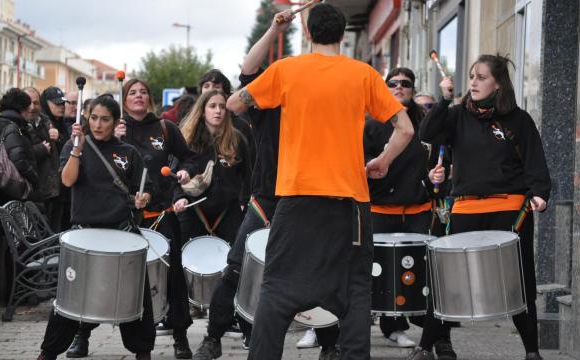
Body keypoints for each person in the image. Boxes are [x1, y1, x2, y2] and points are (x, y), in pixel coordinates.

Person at [227, 4, 414, 359]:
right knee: (355, 294)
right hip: (350, 204)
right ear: (343, 35)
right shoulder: (364, 75)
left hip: (297, 200)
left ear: (309, 34)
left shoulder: (286, 71)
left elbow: (237, 102)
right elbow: (405, 129)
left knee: (277, 291)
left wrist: (274, 34)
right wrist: (382, 162)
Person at [191, 16, 339, 360]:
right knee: (236, 268)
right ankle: (213, 339)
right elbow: (247, 68)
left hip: (308, 199)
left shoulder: (316, 104)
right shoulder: (266, 106)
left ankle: (330, 345)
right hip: (267, 200)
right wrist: (274, 30)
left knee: (314, 271)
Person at [412, 54, 551, 360]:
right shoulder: (457, 115)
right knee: (447, 280)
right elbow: (426, 133)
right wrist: (444, 100)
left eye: (481, 77)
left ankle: (532, 352)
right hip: (465, 208)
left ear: (498, 84)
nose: (473, 81)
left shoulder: (518, 119)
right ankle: (425, 346)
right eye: (472, 76)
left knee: (520, 279)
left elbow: (535, 162)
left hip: (511, 210)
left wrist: (540, 193)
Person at [65, 79, 197, 360]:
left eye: (143, 92)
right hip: (119, 219)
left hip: (158, 214)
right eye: (132, 92)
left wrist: (185, 173)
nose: (138, 96)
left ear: (149, 99)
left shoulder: (165, 128)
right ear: (123, 102)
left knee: (171, 277)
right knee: (99, 275)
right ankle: (82, 333)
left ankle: (180, 336)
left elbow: (188, 158)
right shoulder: (114, 131)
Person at [36, 94, 155, 360]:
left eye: (105, 119)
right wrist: (77, 148)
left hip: (121, 231)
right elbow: (67, 181)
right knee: (69, 296)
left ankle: (143, 351)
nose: (99, 124)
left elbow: (144, 190)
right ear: (87, 119)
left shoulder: (128, 152)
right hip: (85, 232)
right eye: (94, 118)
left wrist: (143, 198)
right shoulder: (75, 145)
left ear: (115, 122)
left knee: (137, 292)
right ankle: (49, 351)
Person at [363, 68, 457, 359]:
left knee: (425, 277)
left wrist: (436, 176)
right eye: (393, 83)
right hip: (380, 208)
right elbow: (361, 163)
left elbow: (439, 159)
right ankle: (389, 327)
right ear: (385, 87)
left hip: (418, 209)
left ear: (413, 89)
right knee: (378, 275)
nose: (399, 87)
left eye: (406, 84)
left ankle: (439, 338)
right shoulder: (371, 123)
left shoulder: (422, 122)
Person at [177, 89, 251, 247]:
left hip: (228, 212)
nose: (218, 110)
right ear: (202, 111)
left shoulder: (237, 139)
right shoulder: (186, 139)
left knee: (229, 262)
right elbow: (175, 174)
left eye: (222, 107)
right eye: (212, 106)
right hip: (194, 210)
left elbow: (249, 175)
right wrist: (178, 198)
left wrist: (244, 202)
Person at [0, 88, 41, 204]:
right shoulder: (12, 128)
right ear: (20, 108)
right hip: (18, 192)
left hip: (11, 191)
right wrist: (34, 177)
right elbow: (19, 160)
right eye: (27, 107)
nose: (30, 110)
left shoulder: (6, 126)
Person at [40, 86, 73, 232]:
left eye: (62, 103)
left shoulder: (62, 123)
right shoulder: (43, 123)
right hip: (49, 192)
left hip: (63, 189)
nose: (61, 106)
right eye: (57, 103)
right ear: (46, 103)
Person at [23, 87, 61, 208]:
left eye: (36, 103)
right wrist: (41, 149)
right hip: (31, 196)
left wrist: (58, 136)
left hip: (53, 193)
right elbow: (16, 155)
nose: (32, 107)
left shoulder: (45, 123)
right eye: (28, 102)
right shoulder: (14, 126)